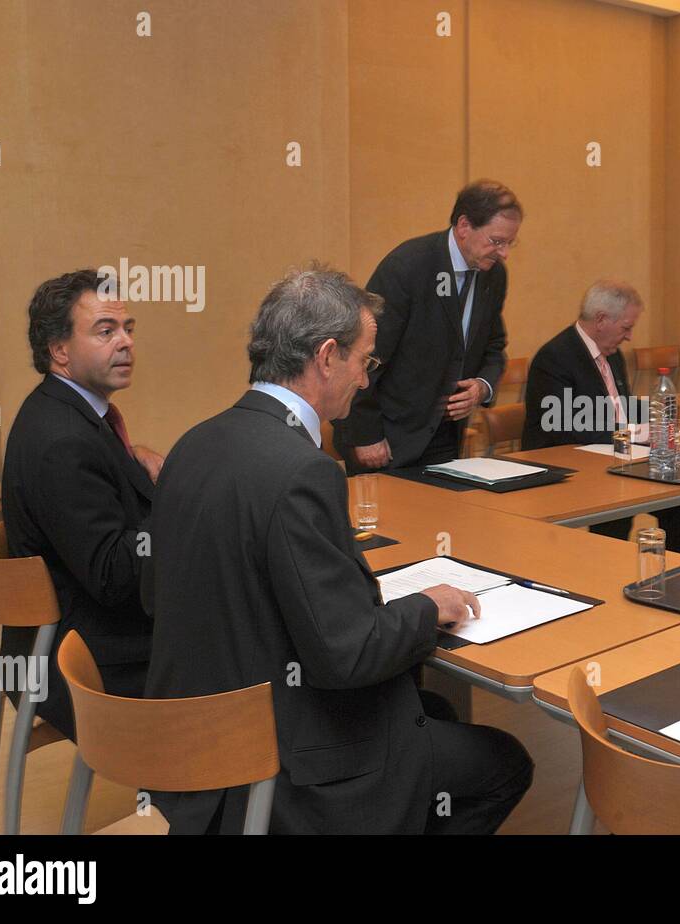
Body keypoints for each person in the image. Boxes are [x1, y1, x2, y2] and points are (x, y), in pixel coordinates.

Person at [143, 266, 532, 834]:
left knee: (434, 710)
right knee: (505, 763)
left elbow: (160, 597)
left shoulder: (193, 443)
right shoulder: (304, 471)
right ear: (326, 356)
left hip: (200, 747)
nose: (368, 380)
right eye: (365, 360)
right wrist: (427, 606)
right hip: (287, 765)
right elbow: (346, 655)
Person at [0, 269, 164, 739]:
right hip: (80, 659)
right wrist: (185, 509)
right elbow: (114, 576)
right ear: (60, 350)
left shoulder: (69, 414)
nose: (126, 343)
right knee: (251, 643)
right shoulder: (63, 441)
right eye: (105, 331)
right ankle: (222, 794)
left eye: (128, 329)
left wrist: (135, 458)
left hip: (76, 632)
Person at [334, 180, 521, 470]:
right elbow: (363, 356)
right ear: (463, 226)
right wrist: (365, 434)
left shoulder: (494, 276)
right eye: (497, 241)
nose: (505, 253)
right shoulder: (408, 267)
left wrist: (483, 387)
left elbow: (494, 346)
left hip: (445, 436)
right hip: (387, 436)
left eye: (510, 243)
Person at [523, 280, 680, 555]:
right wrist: (639, 433)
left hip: (615, 456)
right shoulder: (555, 357)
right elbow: (566, 428)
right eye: (626, 328)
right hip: (569, 463)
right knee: (618, 502)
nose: (629, 337)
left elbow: (620, 409)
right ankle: (606, 572)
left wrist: (652, 424)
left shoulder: (612, 354)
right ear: (602, 320)